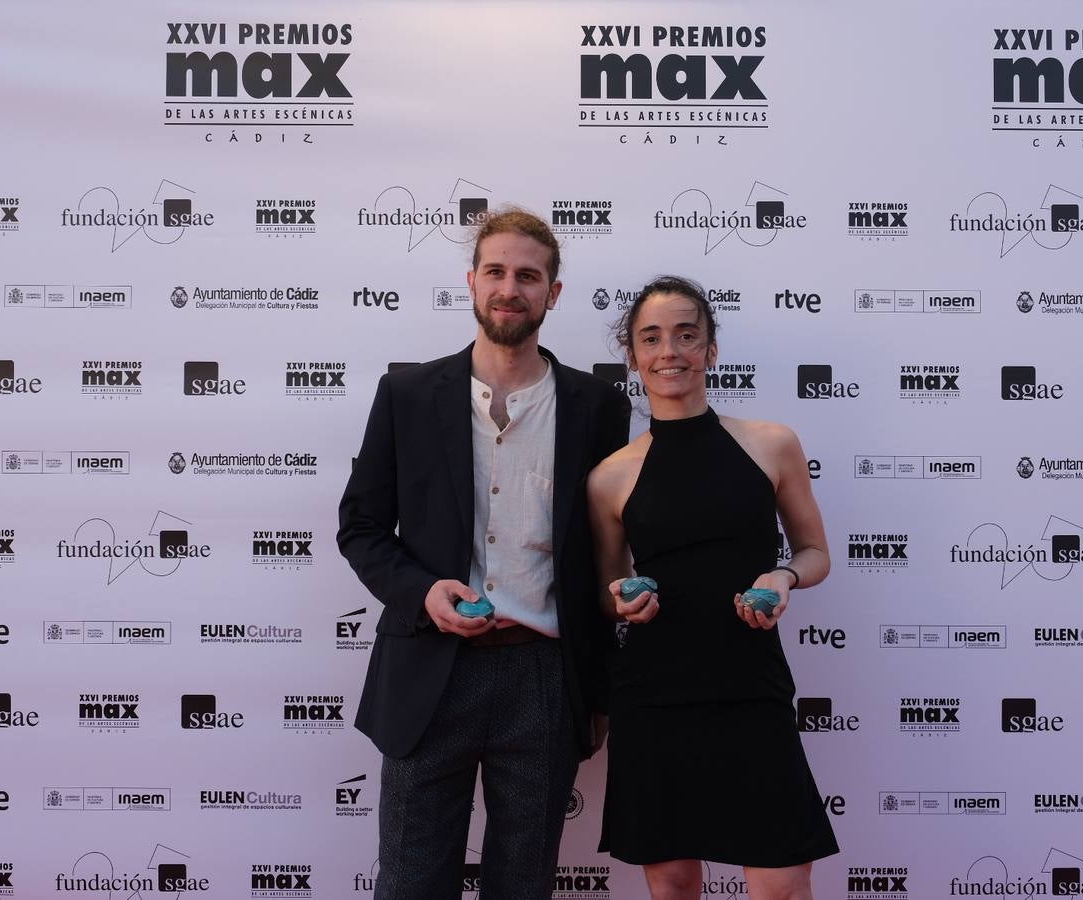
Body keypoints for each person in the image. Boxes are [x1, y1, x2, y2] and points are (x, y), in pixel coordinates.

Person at [338, 207, 631, 900]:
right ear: (471, 283)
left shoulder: (597, 407)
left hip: (545, 676)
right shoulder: (407, 395)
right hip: (428, 669)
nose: (510, 288)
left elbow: (607, 545)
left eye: (528, 276)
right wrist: (423, 592)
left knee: (522, 886)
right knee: (410, 884)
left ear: (553, 293)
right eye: (496, 272)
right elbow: (362, 527)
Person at [586, 276, 838, 900]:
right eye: (652, 337)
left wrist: (783, 576)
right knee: (671, 882)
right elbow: (603, 589)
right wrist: (623, 599)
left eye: (686, 335)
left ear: (711, 350)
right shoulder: (609, 477)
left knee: (783, 876)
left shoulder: (771, 443)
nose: (669, 350)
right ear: (634, 356)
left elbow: (815, 553)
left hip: (750, 684)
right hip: (654, 695)